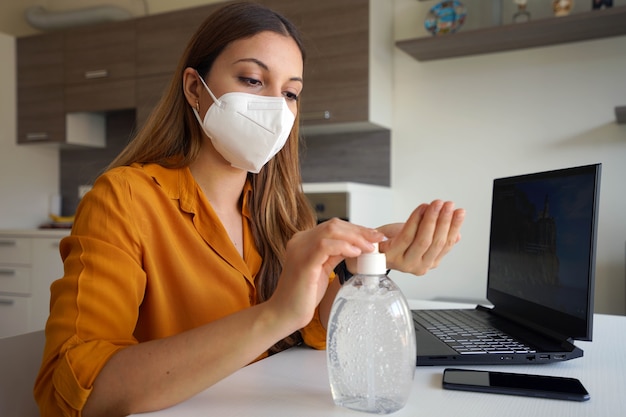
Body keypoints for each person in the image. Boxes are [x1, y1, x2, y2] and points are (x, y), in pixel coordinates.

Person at [34, 2, 465, 417]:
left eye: (291, 93)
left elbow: (314, 330)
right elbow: (73, 393)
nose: (276, 108)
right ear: (193, 88)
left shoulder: (282, 211)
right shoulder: (124, 199)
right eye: (253, 81)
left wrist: (366, 263)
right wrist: (273, 315)